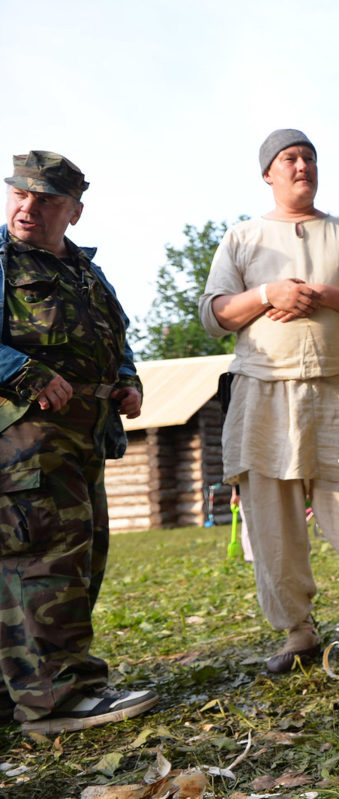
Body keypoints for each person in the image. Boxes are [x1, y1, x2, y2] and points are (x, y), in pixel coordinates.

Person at [199, 129, 339, 674]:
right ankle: (297, 634)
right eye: (289, 158)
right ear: (268, 174)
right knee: (271, 515)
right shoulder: (241, 238)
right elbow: (213, 316)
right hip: (261, 389)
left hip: (335, 389)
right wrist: (268, 294)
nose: (301, 164)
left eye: (309, 157)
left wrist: (320, 293)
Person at [0, 152, 158, 734]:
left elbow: (117, 340)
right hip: (24, 441)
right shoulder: (3, 261)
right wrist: (23, 369)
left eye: (45, 200)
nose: (27, 207)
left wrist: (126, 380)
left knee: (81, 559)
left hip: (83, 440)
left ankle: (18, 691)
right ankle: (56, 699)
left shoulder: (86, 273)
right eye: (19, 193)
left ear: (75, 213)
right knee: (42, 561)